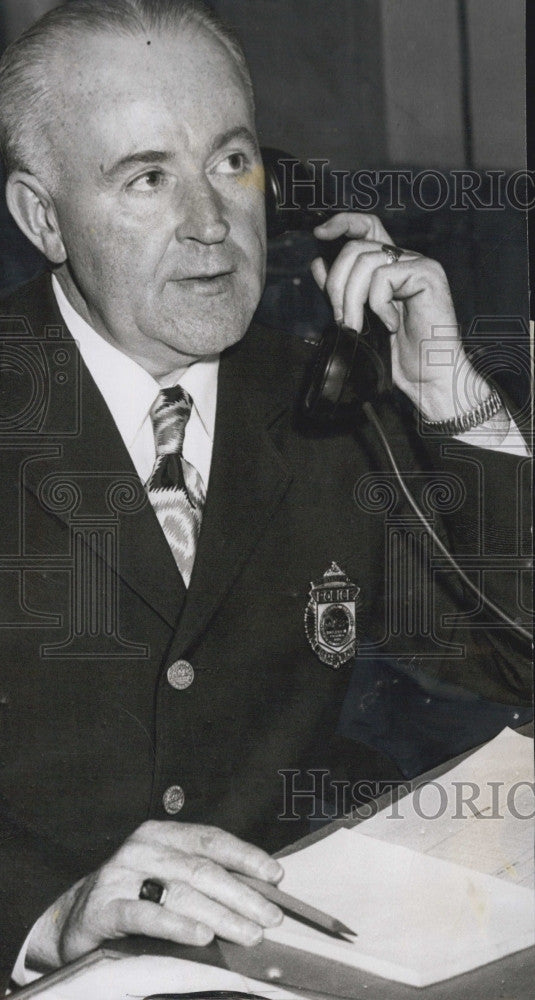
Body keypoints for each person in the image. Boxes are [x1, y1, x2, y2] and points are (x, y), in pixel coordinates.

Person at [0, 0, 530, 987]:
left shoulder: (321, 397)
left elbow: (511, 666)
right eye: (147, 178)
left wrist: (456, 405)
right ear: (43, 218)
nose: (210, 225)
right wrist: (48, 911)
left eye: (230, 162)